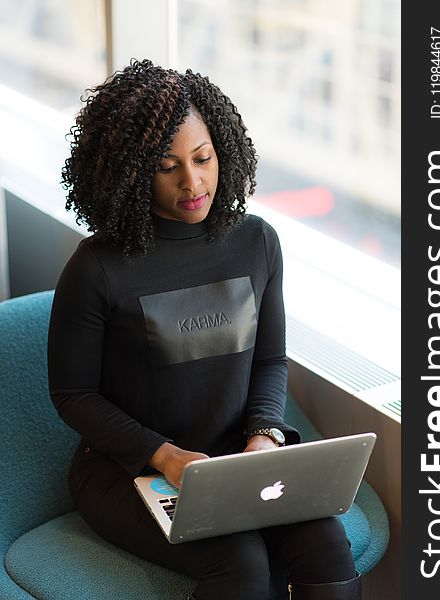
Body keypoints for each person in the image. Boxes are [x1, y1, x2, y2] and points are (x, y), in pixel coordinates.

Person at [48, 58, 360, 600]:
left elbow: (269, 360)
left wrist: (263, 436)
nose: (192, 182)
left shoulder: (257, 242)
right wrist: (165, 456)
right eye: (166, 166)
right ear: (129, 173)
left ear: (223, 151)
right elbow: (73, 395)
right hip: (129, 471)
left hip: (238, 459)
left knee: (326, 548)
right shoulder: (96, 267)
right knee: (240, 565)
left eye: (203, 158)